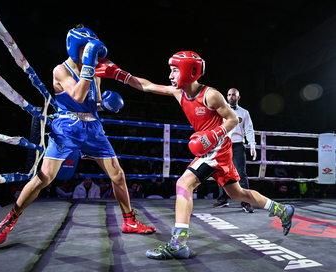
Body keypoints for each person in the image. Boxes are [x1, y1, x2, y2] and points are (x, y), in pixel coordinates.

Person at [95, 51, 295, 260]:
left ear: (189, 72)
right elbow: (147, 86)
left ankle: (179, 243)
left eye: (174, 70)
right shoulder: (178, 92)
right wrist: (119, 75)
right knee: (237, 193)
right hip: (213, 148)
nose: (170, 76)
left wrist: (213, 135)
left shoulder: (211, 94)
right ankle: (281, 209)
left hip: (217, 148)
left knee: (183, 184)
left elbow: (233, 119)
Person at [0, 24, 156, 245]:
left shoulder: (94, 71)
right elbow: (77, 96)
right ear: (76, 46)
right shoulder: (61, 70)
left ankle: (129, 221)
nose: (91, 55)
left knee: (118, 175)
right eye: (87, 49)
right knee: (45, 177)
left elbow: (92, 103)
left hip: (93, 129)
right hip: (67, 127)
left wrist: (106, 105)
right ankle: (10, 218)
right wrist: (88, 66)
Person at [214, 88, 257, 213]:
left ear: (238, 97)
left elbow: (249, 129)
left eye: (233, 95)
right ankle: (222, 199)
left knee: (241, 173)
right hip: (223, 145)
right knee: (221, 172)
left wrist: (252, 145)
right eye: (229, 95)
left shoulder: (244, 113)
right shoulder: (220, 111)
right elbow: (215, 127)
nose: (231, 97)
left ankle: (246, 202)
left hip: (238, 145)